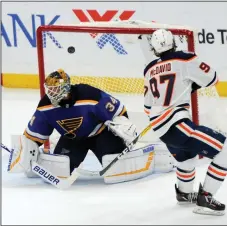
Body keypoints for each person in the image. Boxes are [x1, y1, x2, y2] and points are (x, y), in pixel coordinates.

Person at [8, 69, 160, 184]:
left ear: (67, 87)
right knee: (60, 169)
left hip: (100, 134)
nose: (52, 94)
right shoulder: (45, 106)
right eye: (50, 90)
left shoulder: (89, 95)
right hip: (72, 139)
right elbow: (33, 135)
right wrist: (26, 152)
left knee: (116, 167)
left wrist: (124, 126)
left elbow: (117, 111)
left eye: (56, 89)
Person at [143, 29, 227, 216]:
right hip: (178, 124)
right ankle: (206, 196)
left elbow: (148, 107)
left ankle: (185, 193)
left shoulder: (148, 70)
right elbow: (212, 78)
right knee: (225, 148)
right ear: (173, 42)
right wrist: (191, 83)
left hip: (161, 128)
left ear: (154, 48)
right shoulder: (185, 59)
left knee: (186, 156)